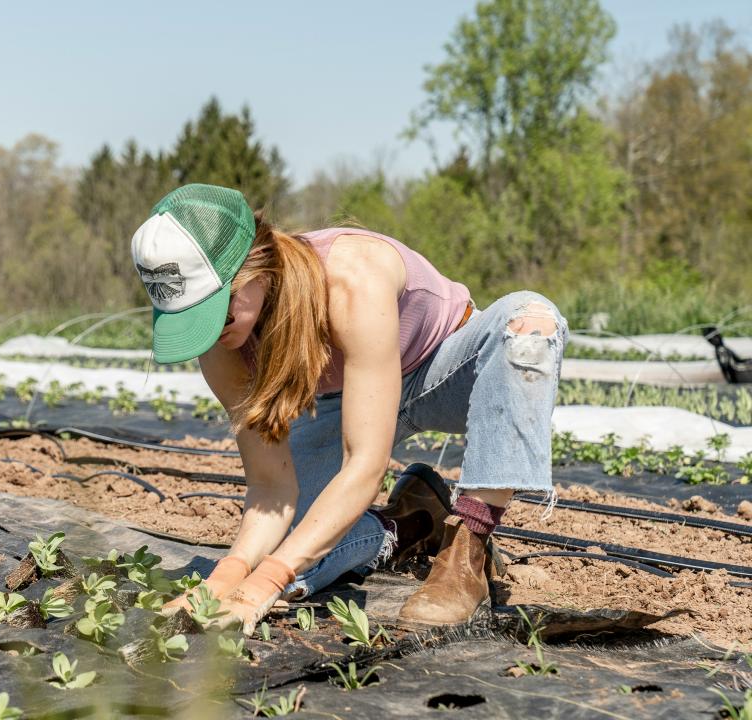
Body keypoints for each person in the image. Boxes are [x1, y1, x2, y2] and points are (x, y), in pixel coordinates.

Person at [132, 184, 568, 635]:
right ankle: (408, 524)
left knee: (530, 323)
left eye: (217, 313)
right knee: (291, 549)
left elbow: (364, 464)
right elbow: (271, 488)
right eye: (191, 320)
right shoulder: (222, 346)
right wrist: (229, 576)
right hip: (347, 400)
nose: (213, 333)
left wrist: (267, 580)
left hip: (445, 372)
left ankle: (469, 548)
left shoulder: (349, 277)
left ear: (256, 267)